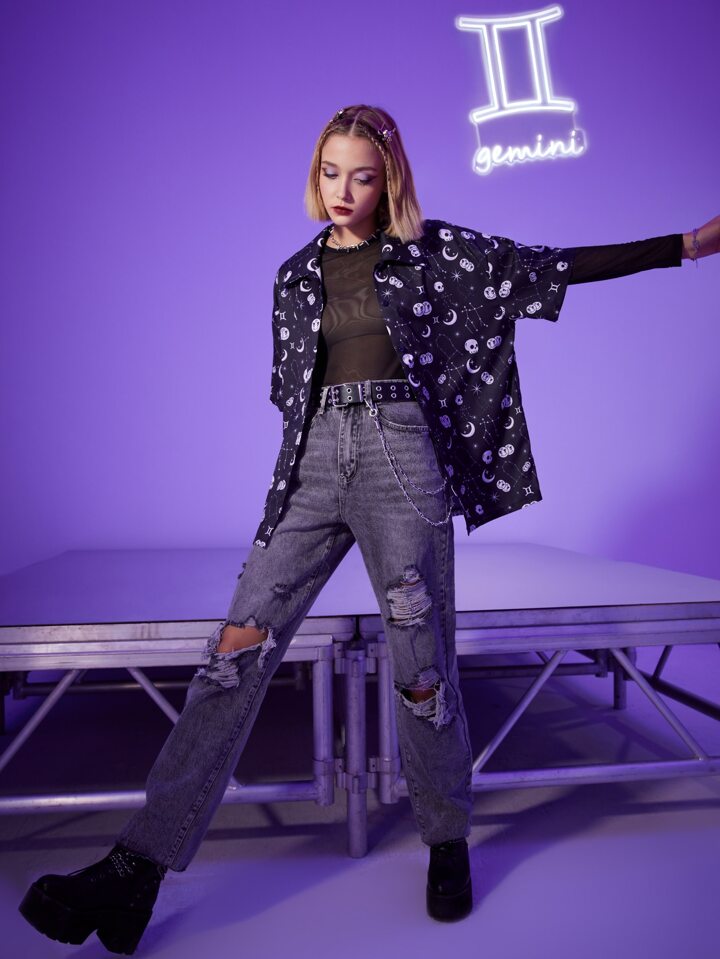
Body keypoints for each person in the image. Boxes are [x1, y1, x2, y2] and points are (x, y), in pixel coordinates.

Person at [19, 104, 719, 954]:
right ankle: (137, 867)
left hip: (401, 459)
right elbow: (292, 400)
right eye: (330, 173)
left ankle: (446, 836)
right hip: (313, 464)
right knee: (232, 656)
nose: (343, 190)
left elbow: (548, 266)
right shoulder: (292, 276)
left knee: (421, 664)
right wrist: (300, 477)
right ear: (314, 175)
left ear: (389, 181)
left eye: (362, 175)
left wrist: (687, 245)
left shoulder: (434, 253)